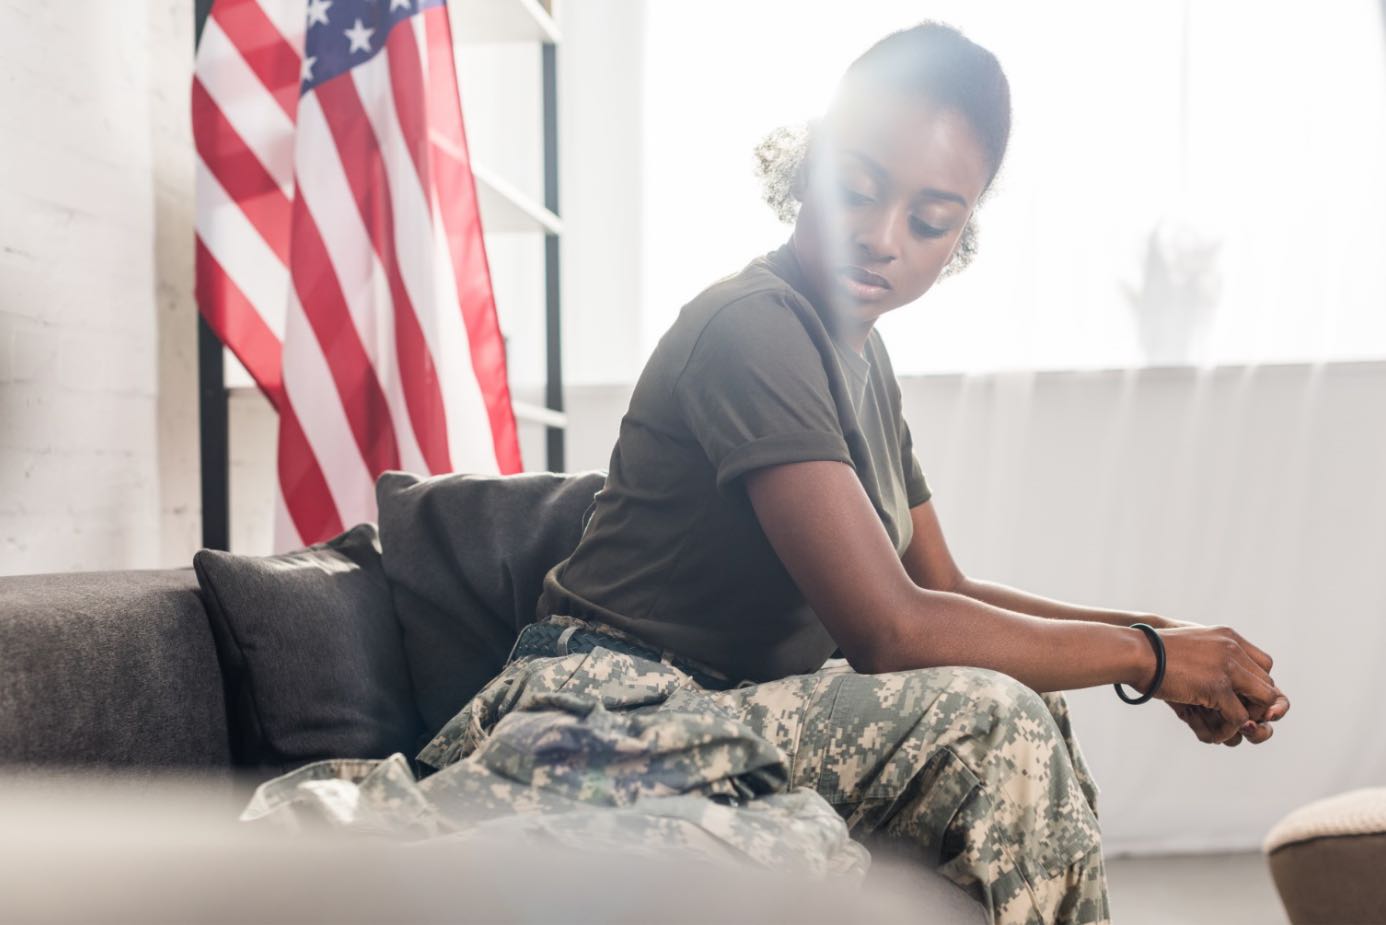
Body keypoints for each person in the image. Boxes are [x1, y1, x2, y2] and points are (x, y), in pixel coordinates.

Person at [517, 20, 1291, 925]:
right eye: (856, 189)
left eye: (931, 220)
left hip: (729, 709)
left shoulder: (864, 364)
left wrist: (1155, 631)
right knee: (990, 724)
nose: (884, 239)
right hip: (607, 713)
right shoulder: (751, 328)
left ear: (961, 232)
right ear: (809, 165)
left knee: (1028, 699)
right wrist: (1153, 659)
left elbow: (946, 585)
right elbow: (889, 627)